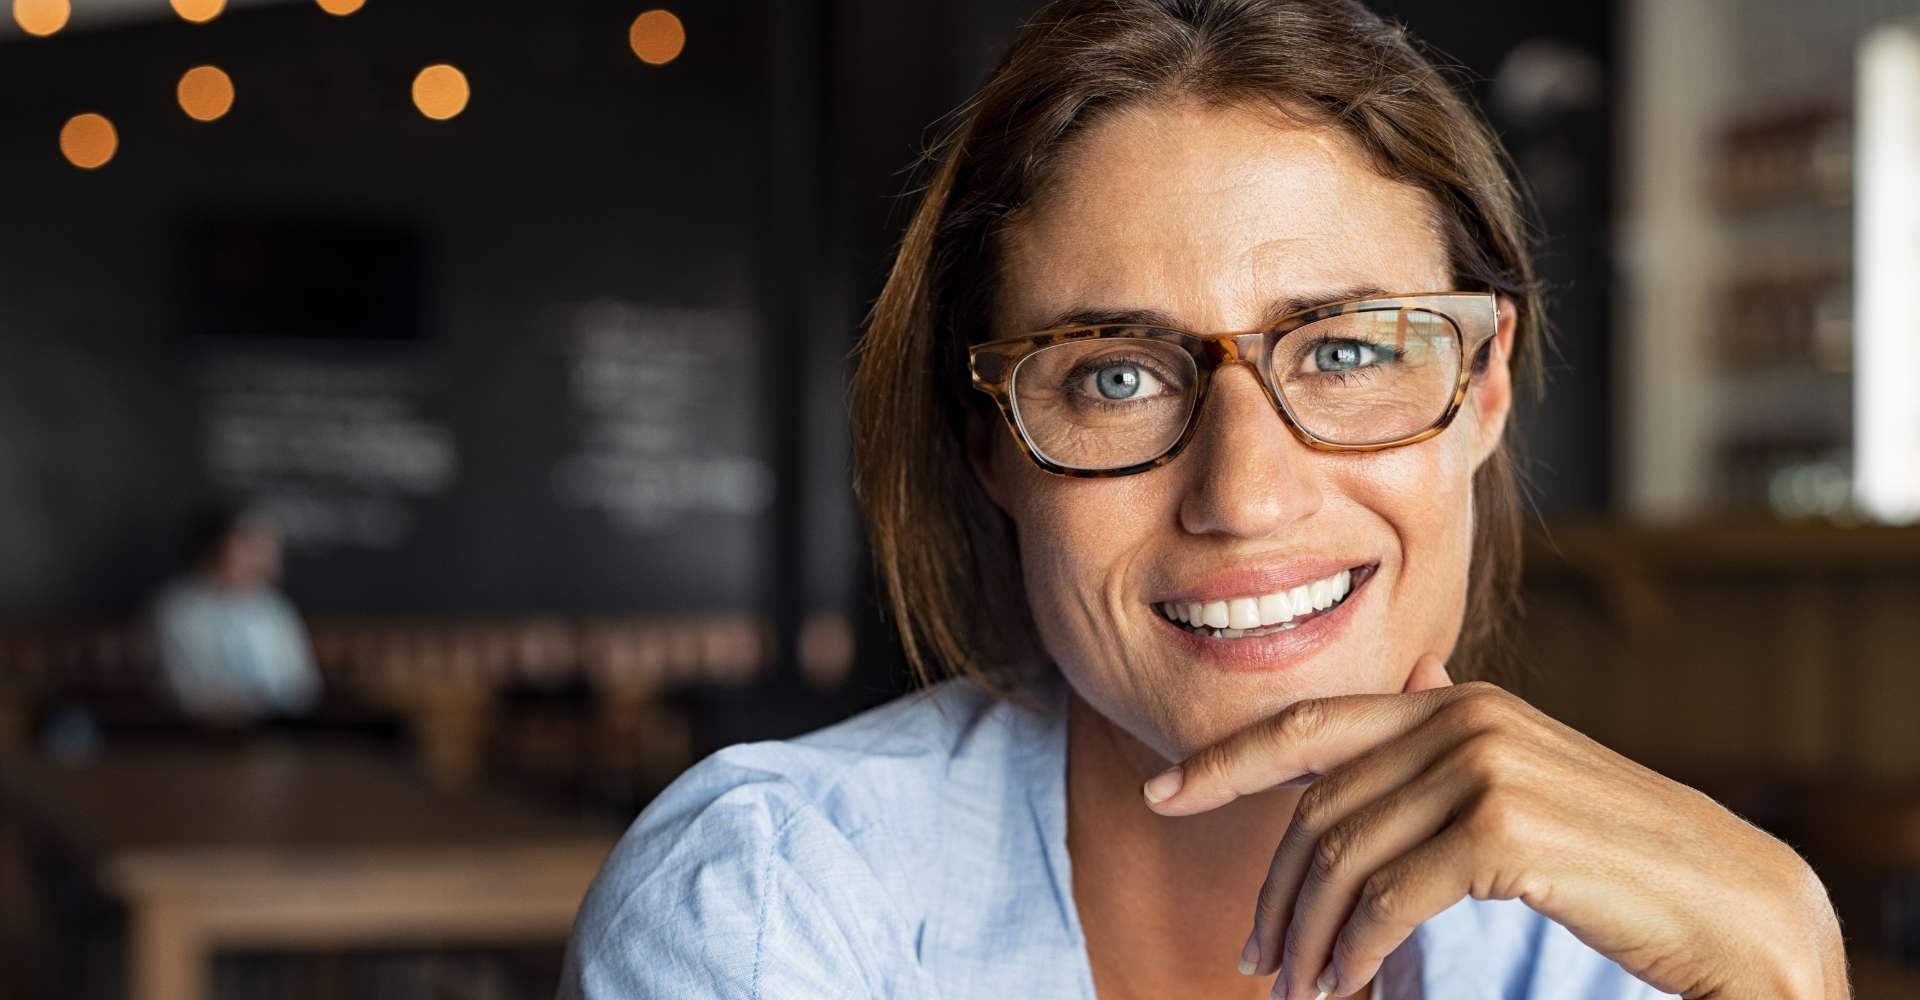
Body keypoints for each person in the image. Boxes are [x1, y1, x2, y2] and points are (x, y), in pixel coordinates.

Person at [559, 1, 1847, 997]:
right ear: (990, 447)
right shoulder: (772, 901)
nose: (1244, 494)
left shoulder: (1611, 952)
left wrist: (1792, 964)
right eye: (1116, 376)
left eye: (1343, 350)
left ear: (1486, 385)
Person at [150, 503, 320, 722]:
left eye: (270, 548)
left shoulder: (275, 609)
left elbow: (303, 687)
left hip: (282, 731)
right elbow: (189, 694)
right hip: (195, 738)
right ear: (215, 547)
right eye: (252, 545)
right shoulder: (177, 610)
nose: (266, 560)